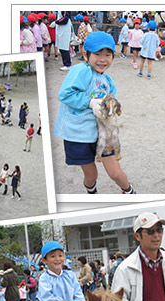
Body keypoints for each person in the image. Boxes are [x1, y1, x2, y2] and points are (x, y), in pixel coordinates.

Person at [53, 31, 136, 195]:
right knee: (92, 175)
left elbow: (110, 102)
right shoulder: (80, 71)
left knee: (116, 173)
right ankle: (91, 191)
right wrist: (90, 103)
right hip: (79, 134)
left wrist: (111, 108)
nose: (103, 59)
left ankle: (130, 193)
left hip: (102, 133)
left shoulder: (108, 81)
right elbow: (65, 94)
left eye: (107, 54)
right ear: (86, 54)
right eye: (97, 54)